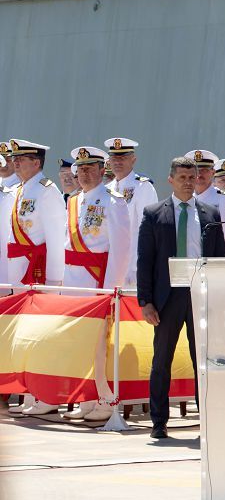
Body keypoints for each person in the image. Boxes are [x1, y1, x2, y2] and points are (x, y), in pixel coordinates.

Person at [136, 156, 225, 440]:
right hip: (167, 296)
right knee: (162, 359)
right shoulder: (154, 213)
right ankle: (159, 420)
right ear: (171, 180)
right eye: (183, 178)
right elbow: (145, 260)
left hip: (201, 294)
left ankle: (207, 419)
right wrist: (145, 301)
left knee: (203, 359)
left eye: (193, 178)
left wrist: (220, 295)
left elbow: (220, 258)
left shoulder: (210, 213)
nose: (189, 183)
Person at [60, 146, 132, 423]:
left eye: (91, 168)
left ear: (103, 171)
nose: (85, 174)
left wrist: (110, 288)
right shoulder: (74, 201)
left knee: (100, 344)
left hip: (97, 280)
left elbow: (121, 248)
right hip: (74, 283)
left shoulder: (113, 201)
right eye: (81, 169)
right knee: (80, 343)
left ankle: (105, 397)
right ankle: (87, 397)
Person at [6, 139, 65, 416]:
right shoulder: (19, 189)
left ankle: (48, 396)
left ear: (37, 163)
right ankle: (30, 392)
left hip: (39, 272)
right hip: (20, 273)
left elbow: (56, 238)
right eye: (15, 159)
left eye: (22, 159)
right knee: (25, 335)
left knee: (41, 334)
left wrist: (55, 280)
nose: (16, 162)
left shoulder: (47, 191)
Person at [105, 137, 159, 286]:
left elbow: (149, 228)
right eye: (114, 158)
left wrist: (145, 264)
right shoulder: (106, 190)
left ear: (133, 160)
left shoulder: (142, 187)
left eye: (123, 158)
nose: (118, 162)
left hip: (133, 266)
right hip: (108, 263)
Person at [188, 149, 225, 257]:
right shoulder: (187, 200)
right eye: (196, 170)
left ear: (213, 172)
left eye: (204, 170)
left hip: (216, 265)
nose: (199, 174)